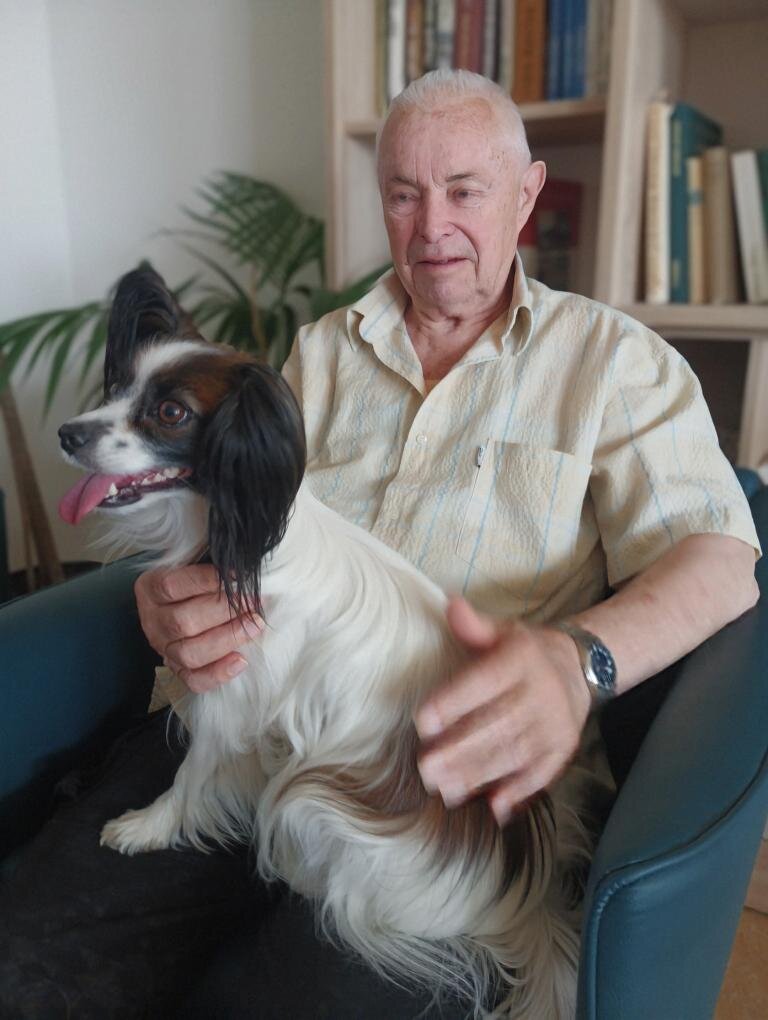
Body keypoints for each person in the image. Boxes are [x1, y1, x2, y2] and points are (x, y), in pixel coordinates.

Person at [0, 70, 760, 1019]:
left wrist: (580, 663)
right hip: (241, 740)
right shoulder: (315, 357)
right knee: (24, 964)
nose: (432, 225)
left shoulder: (615, 362)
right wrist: (164, 600)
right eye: (404, 194)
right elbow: (222, 514)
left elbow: (722, 561)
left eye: (465, 190)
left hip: (440, 802)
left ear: (527, 195)